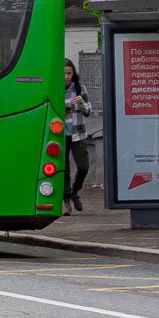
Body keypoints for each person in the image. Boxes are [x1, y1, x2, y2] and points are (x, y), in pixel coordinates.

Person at [62, 58, 92, 215]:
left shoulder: (79, 89)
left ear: (73, 74)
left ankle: (75, 190)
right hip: (60, 135)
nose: (66, 76)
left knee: (83, 166)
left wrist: (81, 104)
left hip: (78, 133)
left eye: (69, 73)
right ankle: (66, 202)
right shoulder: (54, 88)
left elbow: (88, 112)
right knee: (63, 169)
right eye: (64, 73)